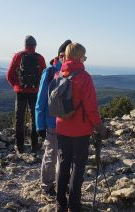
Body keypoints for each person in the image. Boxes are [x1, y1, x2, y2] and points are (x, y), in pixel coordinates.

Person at [55, 42, 107, 212]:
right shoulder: (84, 77)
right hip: (81, 130)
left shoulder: (59, 74)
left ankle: (60, 203)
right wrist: (100, 128)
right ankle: (74, 205)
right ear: (78, 57)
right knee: (77, 167)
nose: (85, 59)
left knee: (63, 165)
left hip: (61, 128)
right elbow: (91, 107)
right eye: (84, 56)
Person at [36, 40, 71, 198]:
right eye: (64, 55)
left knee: (63, 157)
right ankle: (47, 186)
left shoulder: (69, 71)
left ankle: (61, 185)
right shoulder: (49, 71)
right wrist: (39, 126)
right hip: (51, 123)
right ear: (60, 55)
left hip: (67, 123)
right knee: (51, 155)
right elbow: (40, 101)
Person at [6, 35, 46, 154]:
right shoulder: (40, 58)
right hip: (35, 92)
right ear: (35, 45)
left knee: (19, 118)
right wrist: (39, 88)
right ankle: (34, 145)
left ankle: (19, 146)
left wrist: (16, 86)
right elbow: (44, 76)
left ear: (25, 45)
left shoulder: (18, 56)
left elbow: (9, 75)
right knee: (34, 118)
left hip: (21, 92)